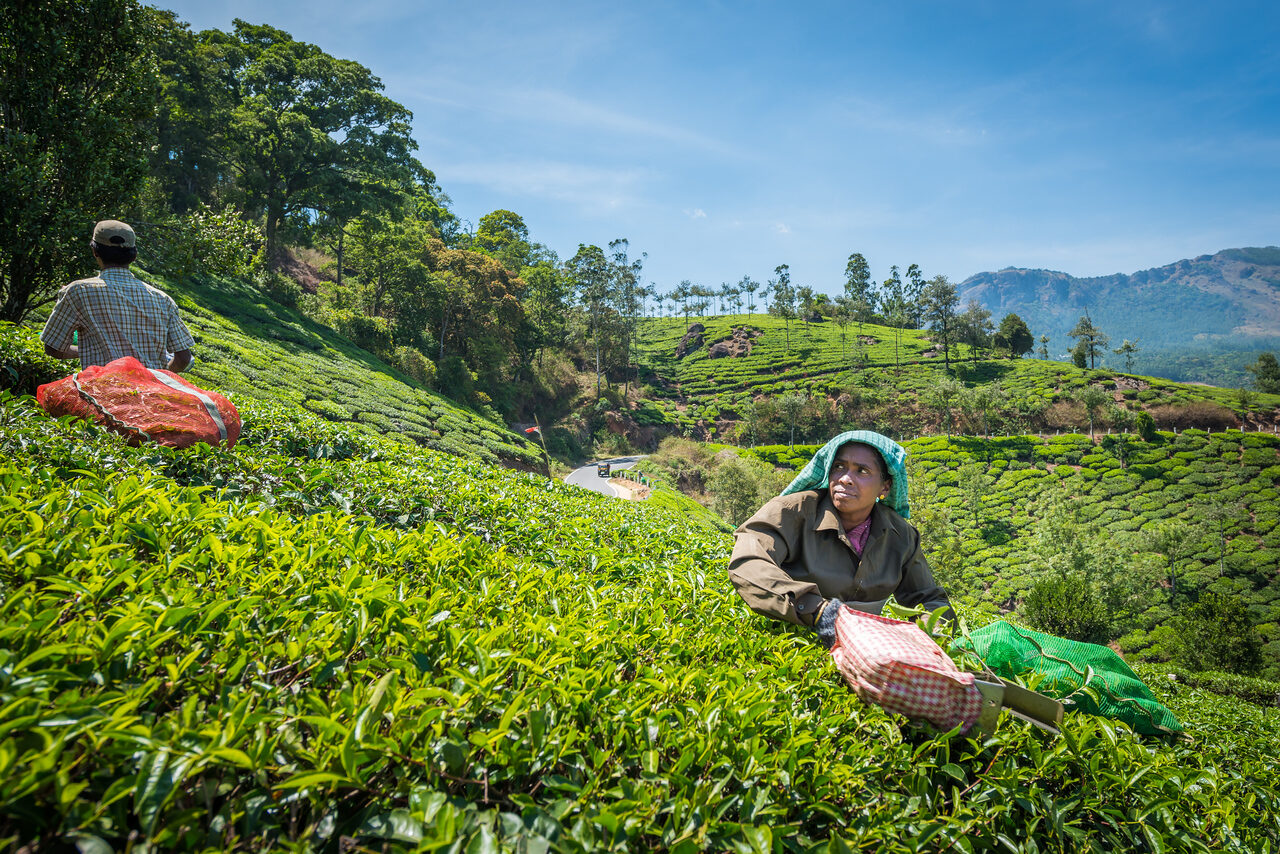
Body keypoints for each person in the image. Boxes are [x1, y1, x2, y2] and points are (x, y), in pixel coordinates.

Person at [728, 430, 953, 648]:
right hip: (792, 638)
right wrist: (817, 611)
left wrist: (928, 634)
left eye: (862, 471)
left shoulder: (901, 536)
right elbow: (749, 561)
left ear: (885, 487)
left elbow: (929, 598)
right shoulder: (793, 511)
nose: (845, 479)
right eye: (839, 467)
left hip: (866, 647)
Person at [41, 220, 195, 373]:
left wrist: (89, 350)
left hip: (103, 391)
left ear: (95, 251)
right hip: (151, 394)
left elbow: (53, 348)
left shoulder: (78, 291)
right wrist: (157, 379)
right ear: (134, 256)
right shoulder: (163, 299)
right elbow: (183, 358)